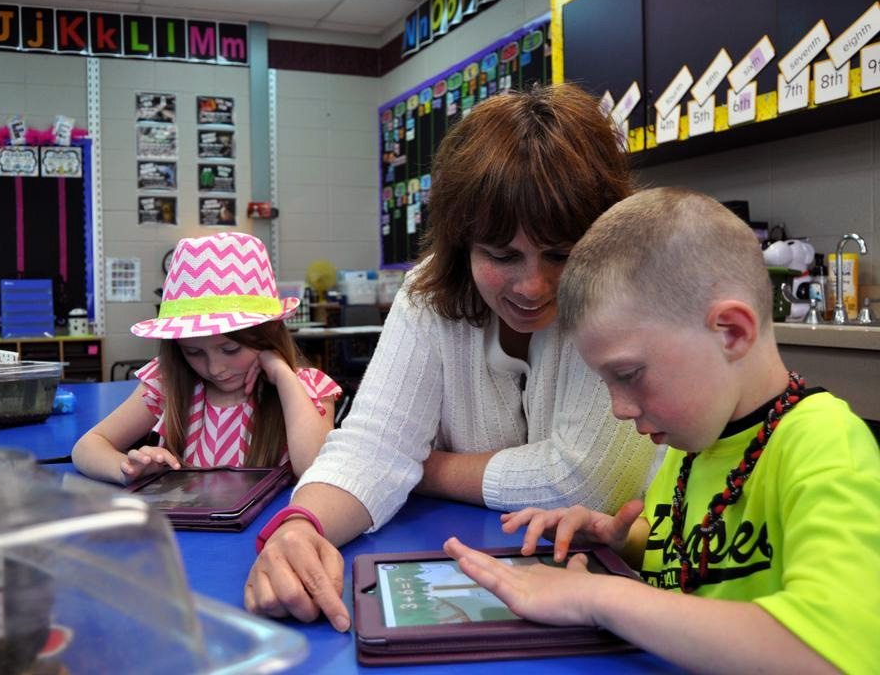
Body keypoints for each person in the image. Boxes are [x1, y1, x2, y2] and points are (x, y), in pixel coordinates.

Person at [244, 84, 663, 631]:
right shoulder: (428, 293)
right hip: (478, 567)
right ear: (460, 243)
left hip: (611, 583)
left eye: (561, 253)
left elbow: (582, 482)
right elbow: (372, 443)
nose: (533, 285)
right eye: (501, 254)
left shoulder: (621, 293)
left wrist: (416, 465)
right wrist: (299, 527)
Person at [443, 188, 880, 673]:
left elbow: (830, 653)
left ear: (732, 332)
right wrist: (621, 541)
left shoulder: (827, 447)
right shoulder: (693, 442)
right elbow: (687, 556)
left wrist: (598, 597)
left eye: (628, 375)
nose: (618, 410)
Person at [72, 232, 341, 484]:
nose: (215, 368)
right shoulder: (168, 381)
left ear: (269, 330)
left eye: (230, 350)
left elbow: (314, 471)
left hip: (268, 533)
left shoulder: (308, 389)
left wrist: (282, 374)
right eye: (194, 352)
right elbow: (88, 446)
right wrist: (128, 468)